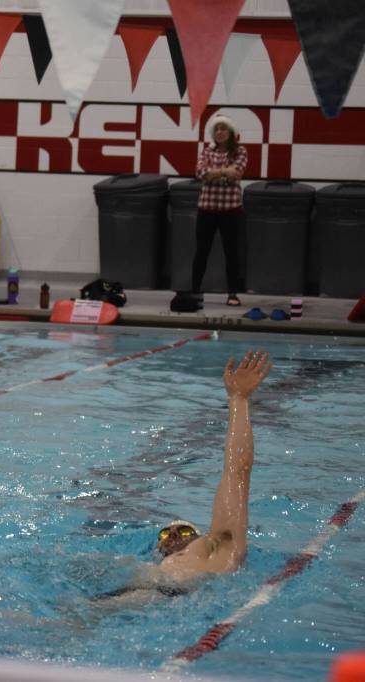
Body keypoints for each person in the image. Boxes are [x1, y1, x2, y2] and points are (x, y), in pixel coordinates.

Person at [93, 350, 272, 605]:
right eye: (165, 534)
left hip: (169, 597)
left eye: (185, 530)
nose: (173, 534)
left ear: (202, 537)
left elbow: (237, 472)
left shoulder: (219, 547)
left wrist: (239, 400)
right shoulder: (148, 565)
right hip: (139, 597)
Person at [192, 114, 248, 308]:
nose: (220, 132)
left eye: (223, 128)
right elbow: (200, 173)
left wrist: (213, 174)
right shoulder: (207, 151)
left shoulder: (240, 151)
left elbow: (237, 173)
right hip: (206, 209)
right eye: (216, 129)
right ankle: (194, 291)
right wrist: (225, 172)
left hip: (231, 210)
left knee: (231, 253)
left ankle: (233, 293)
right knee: (201, 251)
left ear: (231, 132)